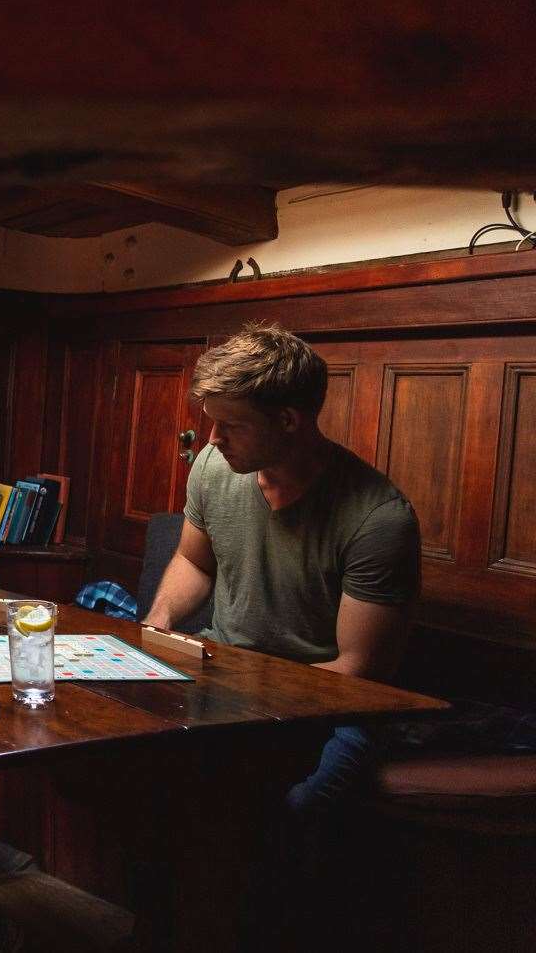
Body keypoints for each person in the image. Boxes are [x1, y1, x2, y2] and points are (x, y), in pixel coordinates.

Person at [145, 323, 421, 945]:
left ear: (290, 421)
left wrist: (238, 683)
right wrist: (160, 622)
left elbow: (359, 671)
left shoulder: (379, 519)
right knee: (148, 778)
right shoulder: (217, 466)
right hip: (223, 675)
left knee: (295, 812)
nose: (211, 439)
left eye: (230, 425)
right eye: (210, 423)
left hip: (331, 705)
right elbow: (195, 561)